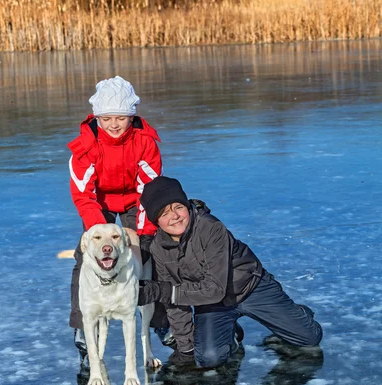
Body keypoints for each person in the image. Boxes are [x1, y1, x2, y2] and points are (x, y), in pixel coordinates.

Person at [137, 176, 323, 367]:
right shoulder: (158, 248)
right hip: (213, 304)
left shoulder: (210, 228)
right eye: (164, 213)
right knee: (209, 358)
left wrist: (163, 290)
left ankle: (298, 313)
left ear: (186, 206)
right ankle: (231, 333)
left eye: (178, 207)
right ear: (156, 220)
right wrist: (185, 348)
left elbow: (213, 288)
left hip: (250, 288)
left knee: (310, 338)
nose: (174, 216)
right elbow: (175, 302)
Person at [67, 76, 172, 365]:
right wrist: (99, 231)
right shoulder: (85, 147)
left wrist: (140, 233)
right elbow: (83, 195)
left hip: (135, 202)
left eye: (121, 118)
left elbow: (148, 190)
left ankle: (160, 320)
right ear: (96, 117)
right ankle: (81, 325)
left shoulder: (145, 143)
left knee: (152, 253)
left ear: (132, 116)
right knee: (84, 257)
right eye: (107, 118)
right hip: (98, 205)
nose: (114, 124)